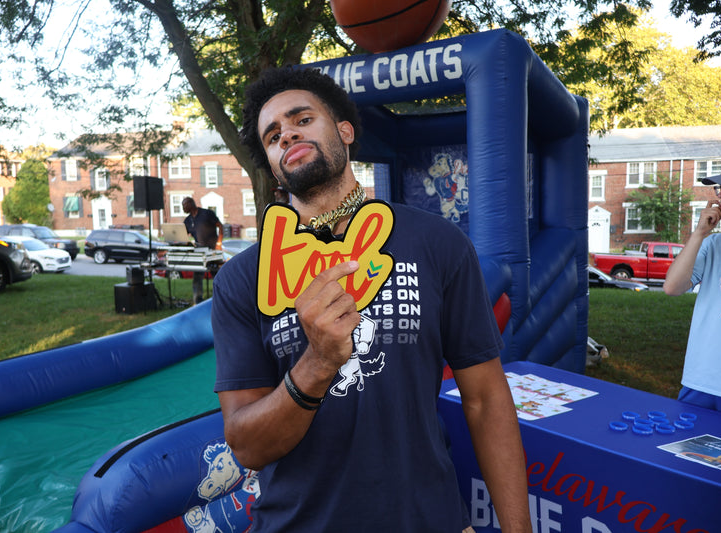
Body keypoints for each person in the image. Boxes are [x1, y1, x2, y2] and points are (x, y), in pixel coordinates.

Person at [210, 66, 532, 532]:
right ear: (271, 160)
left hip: (427, 519)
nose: (286, 135)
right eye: (272, 134)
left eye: (302, 119)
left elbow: (485, 398)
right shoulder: (244, 278)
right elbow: (246, 446)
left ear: (344, 130)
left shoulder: (437, 242)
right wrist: (318, 362)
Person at [664, 155, 721, 415]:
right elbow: (672, 288)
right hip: (703, 382)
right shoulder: (712, 244)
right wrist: (698, 234)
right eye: (720, 188)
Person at [181, 196, 223, 305]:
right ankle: (198, 301)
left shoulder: (207, 213)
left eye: (184, 205)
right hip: (199, 252)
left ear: (190, 204)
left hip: (213, 250)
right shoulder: (188, 220)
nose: (183, 208)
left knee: (217, 276)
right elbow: (183, 236)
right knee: (197, 277)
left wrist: (219, 243)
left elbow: (220, 226)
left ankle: (220, 299)